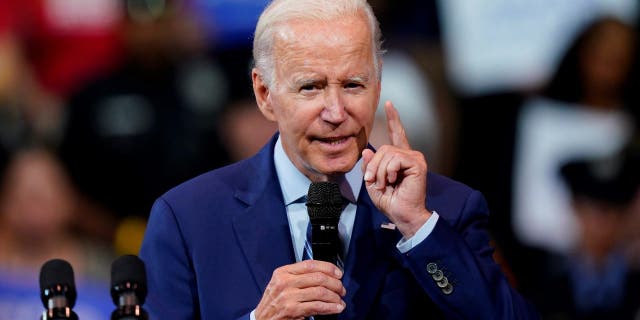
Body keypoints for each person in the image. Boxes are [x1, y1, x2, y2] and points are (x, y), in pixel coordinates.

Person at [139, 0, 538, 319]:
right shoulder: (188, 219)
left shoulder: (445, 210)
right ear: (264, 95)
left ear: (377, 83)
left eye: (353, 84)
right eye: (310, 87)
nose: (335, 111)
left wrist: (416, 227)